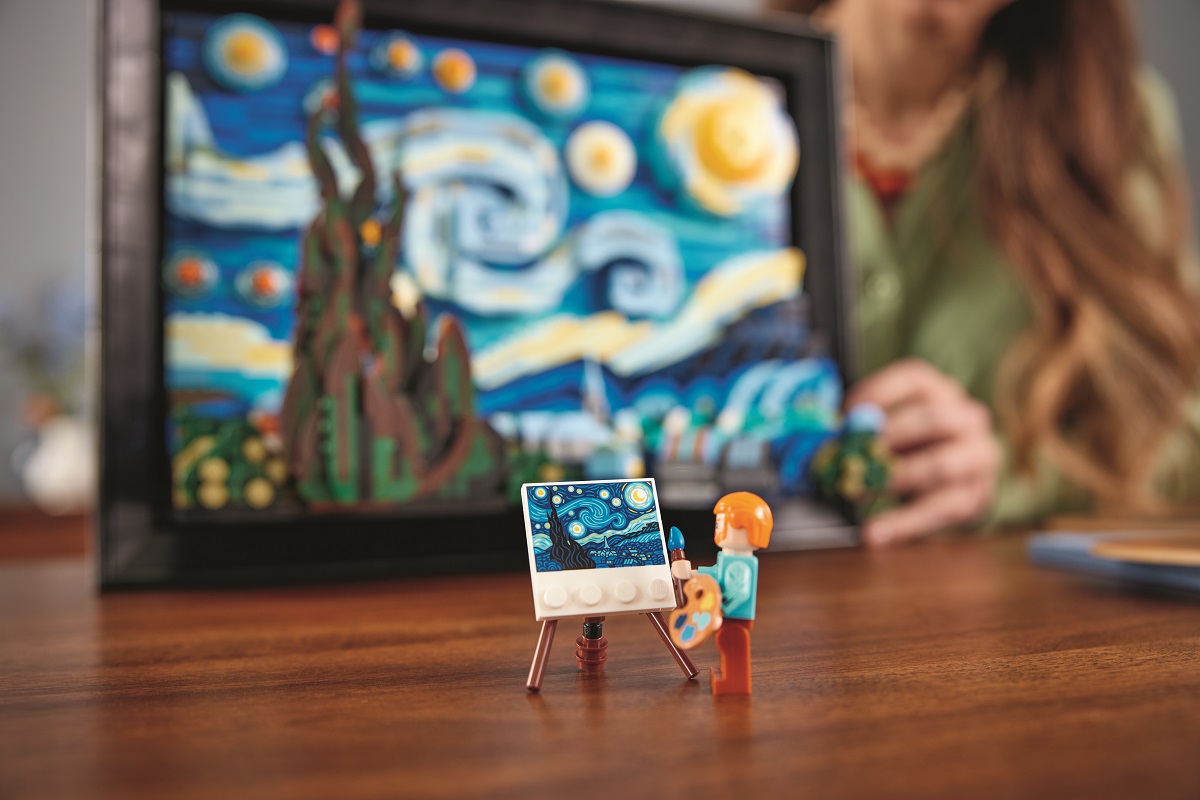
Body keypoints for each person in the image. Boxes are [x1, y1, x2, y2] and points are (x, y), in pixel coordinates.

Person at [771, 0, 1200, 545]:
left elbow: (1183, 436)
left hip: (998, 589)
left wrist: (1008, 478)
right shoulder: (707, 92)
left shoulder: (1108, 116)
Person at [671, 492, 773, 695]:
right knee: (725, 643)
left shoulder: (741, 564)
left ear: (746, 528)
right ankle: (728, 675)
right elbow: (716, 575)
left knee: (731, 643)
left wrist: (720, 607)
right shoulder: (729, 559)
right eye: (718, 524)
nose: (717, 529)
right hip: (725, 614)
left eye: (722, 524)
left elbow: (740, 593)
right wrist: (692, 573)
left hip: (734, 615)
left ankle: (734, 682)